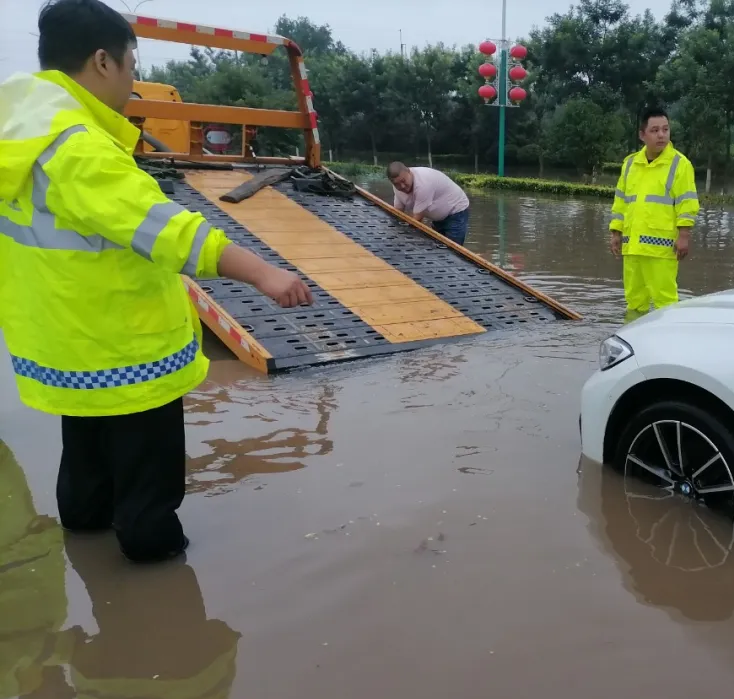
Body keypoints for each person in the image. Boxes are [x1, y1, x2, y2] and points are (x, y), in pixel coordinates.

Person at [0, 0, 313, 564]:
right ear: (102, 61)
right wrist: (266, 273)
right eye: (131, 65)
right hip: (125, 349)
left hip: (64, 348)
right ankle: (162, 608)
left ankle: (91, 566)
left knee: (84, 473)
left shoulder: (16, 138)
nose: (134, 81)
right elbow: (175, 235)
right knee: (147, 504)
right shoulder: (78, 149)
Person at [609, 106, 699, 319]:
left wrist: (684, 236)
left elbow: (687, 203)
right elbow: (621, 201)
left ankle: (668, 345)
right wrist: (615, 232)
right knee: (634, 301)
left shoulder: (680, 164)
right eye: (655, 130)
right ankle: (633, 343)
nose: (661, 135)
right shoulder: (630, 163)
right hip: (632, 246)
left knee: (665, 302)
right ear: (642, 135)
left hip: (662, 249)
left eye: (665, 129)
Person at [387, 161, 471, 245]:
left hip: (456, 210)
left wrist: (404, 240)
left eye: (403, 181)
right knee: (438, 245)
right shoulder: (397, 187)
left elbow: (416, 220)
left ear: (409, 171)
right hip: (438, 216)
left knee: (453, 249)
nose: (402, 186)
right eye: (397, 184)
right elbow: (397, 212)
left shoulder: (423, 184)